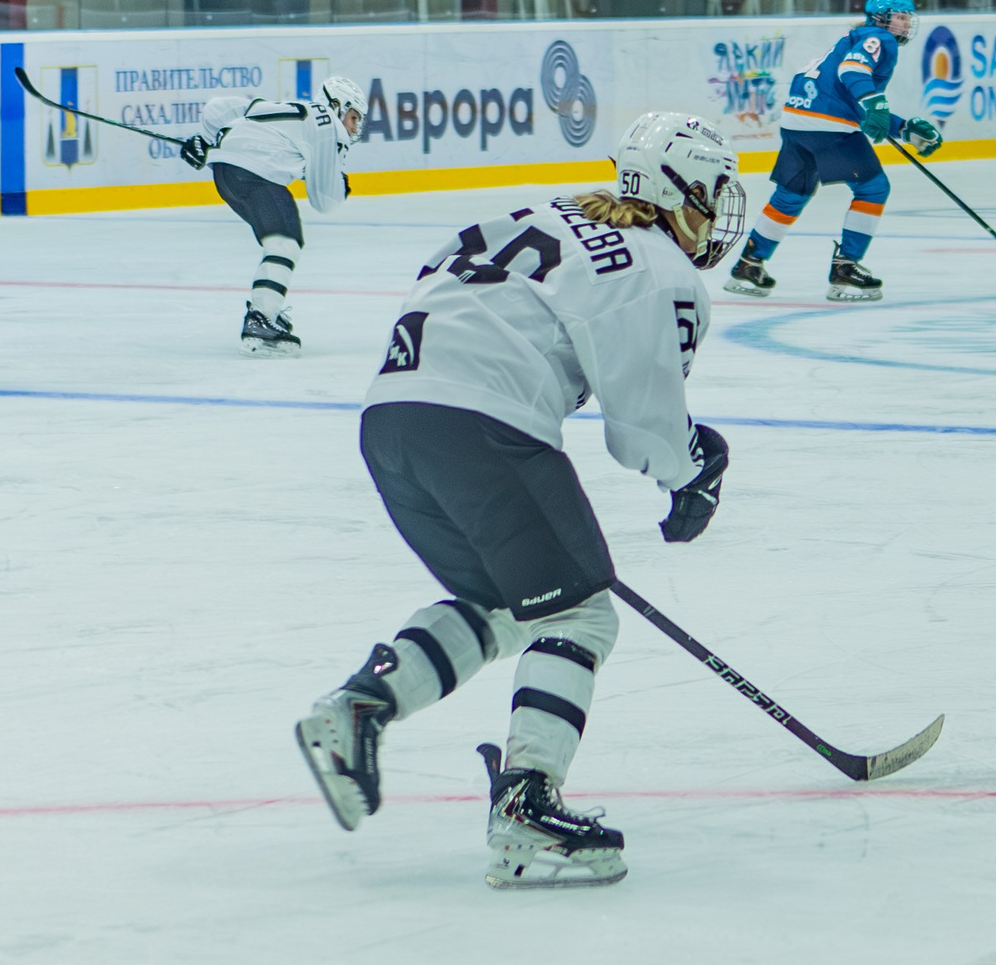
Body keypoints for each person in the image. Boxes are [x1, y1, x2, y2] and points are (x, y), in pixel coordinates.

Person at [293, 111, 748, 890]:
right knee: (579, 614)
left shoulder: (537, 217)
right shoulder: (659, 265)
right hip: (482, 423)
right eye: (707, 194)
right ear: (673, 191)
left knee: (506, 603)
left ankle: (361, 707)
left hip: (391, 420)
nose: (713, 214)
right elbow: (643, 435)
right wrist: (694, 466)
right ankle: (528, 807)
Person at [724, 0, 941, 303]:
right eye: (900, 17)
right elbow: (853, 73)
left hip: (797, 122)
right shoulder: (880, 39)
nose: (906, 24)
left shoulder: (852, 39)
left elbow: (851, 99)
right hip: (827, 127)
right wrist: (876, 102)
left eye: (907, 18)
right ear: (881, 19)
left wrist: (903, 127)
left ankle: (748, 264)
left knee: (791, 194)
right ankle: (845, 268)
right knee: (873, 189)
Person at [180, 77, 363, 357]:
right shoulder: (328, 124)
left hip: (228, 175)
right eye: (353, 117)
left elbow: (218, 108)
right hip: (255, 173)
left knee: (280, 241)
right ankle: (261, 318)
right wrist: (341, 183)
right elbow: (324, 199)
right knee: (284, 244)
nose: (354, 127)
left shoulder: (293, 110)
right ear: (337, 105)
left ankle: (266, 310)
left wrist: (205, 142)